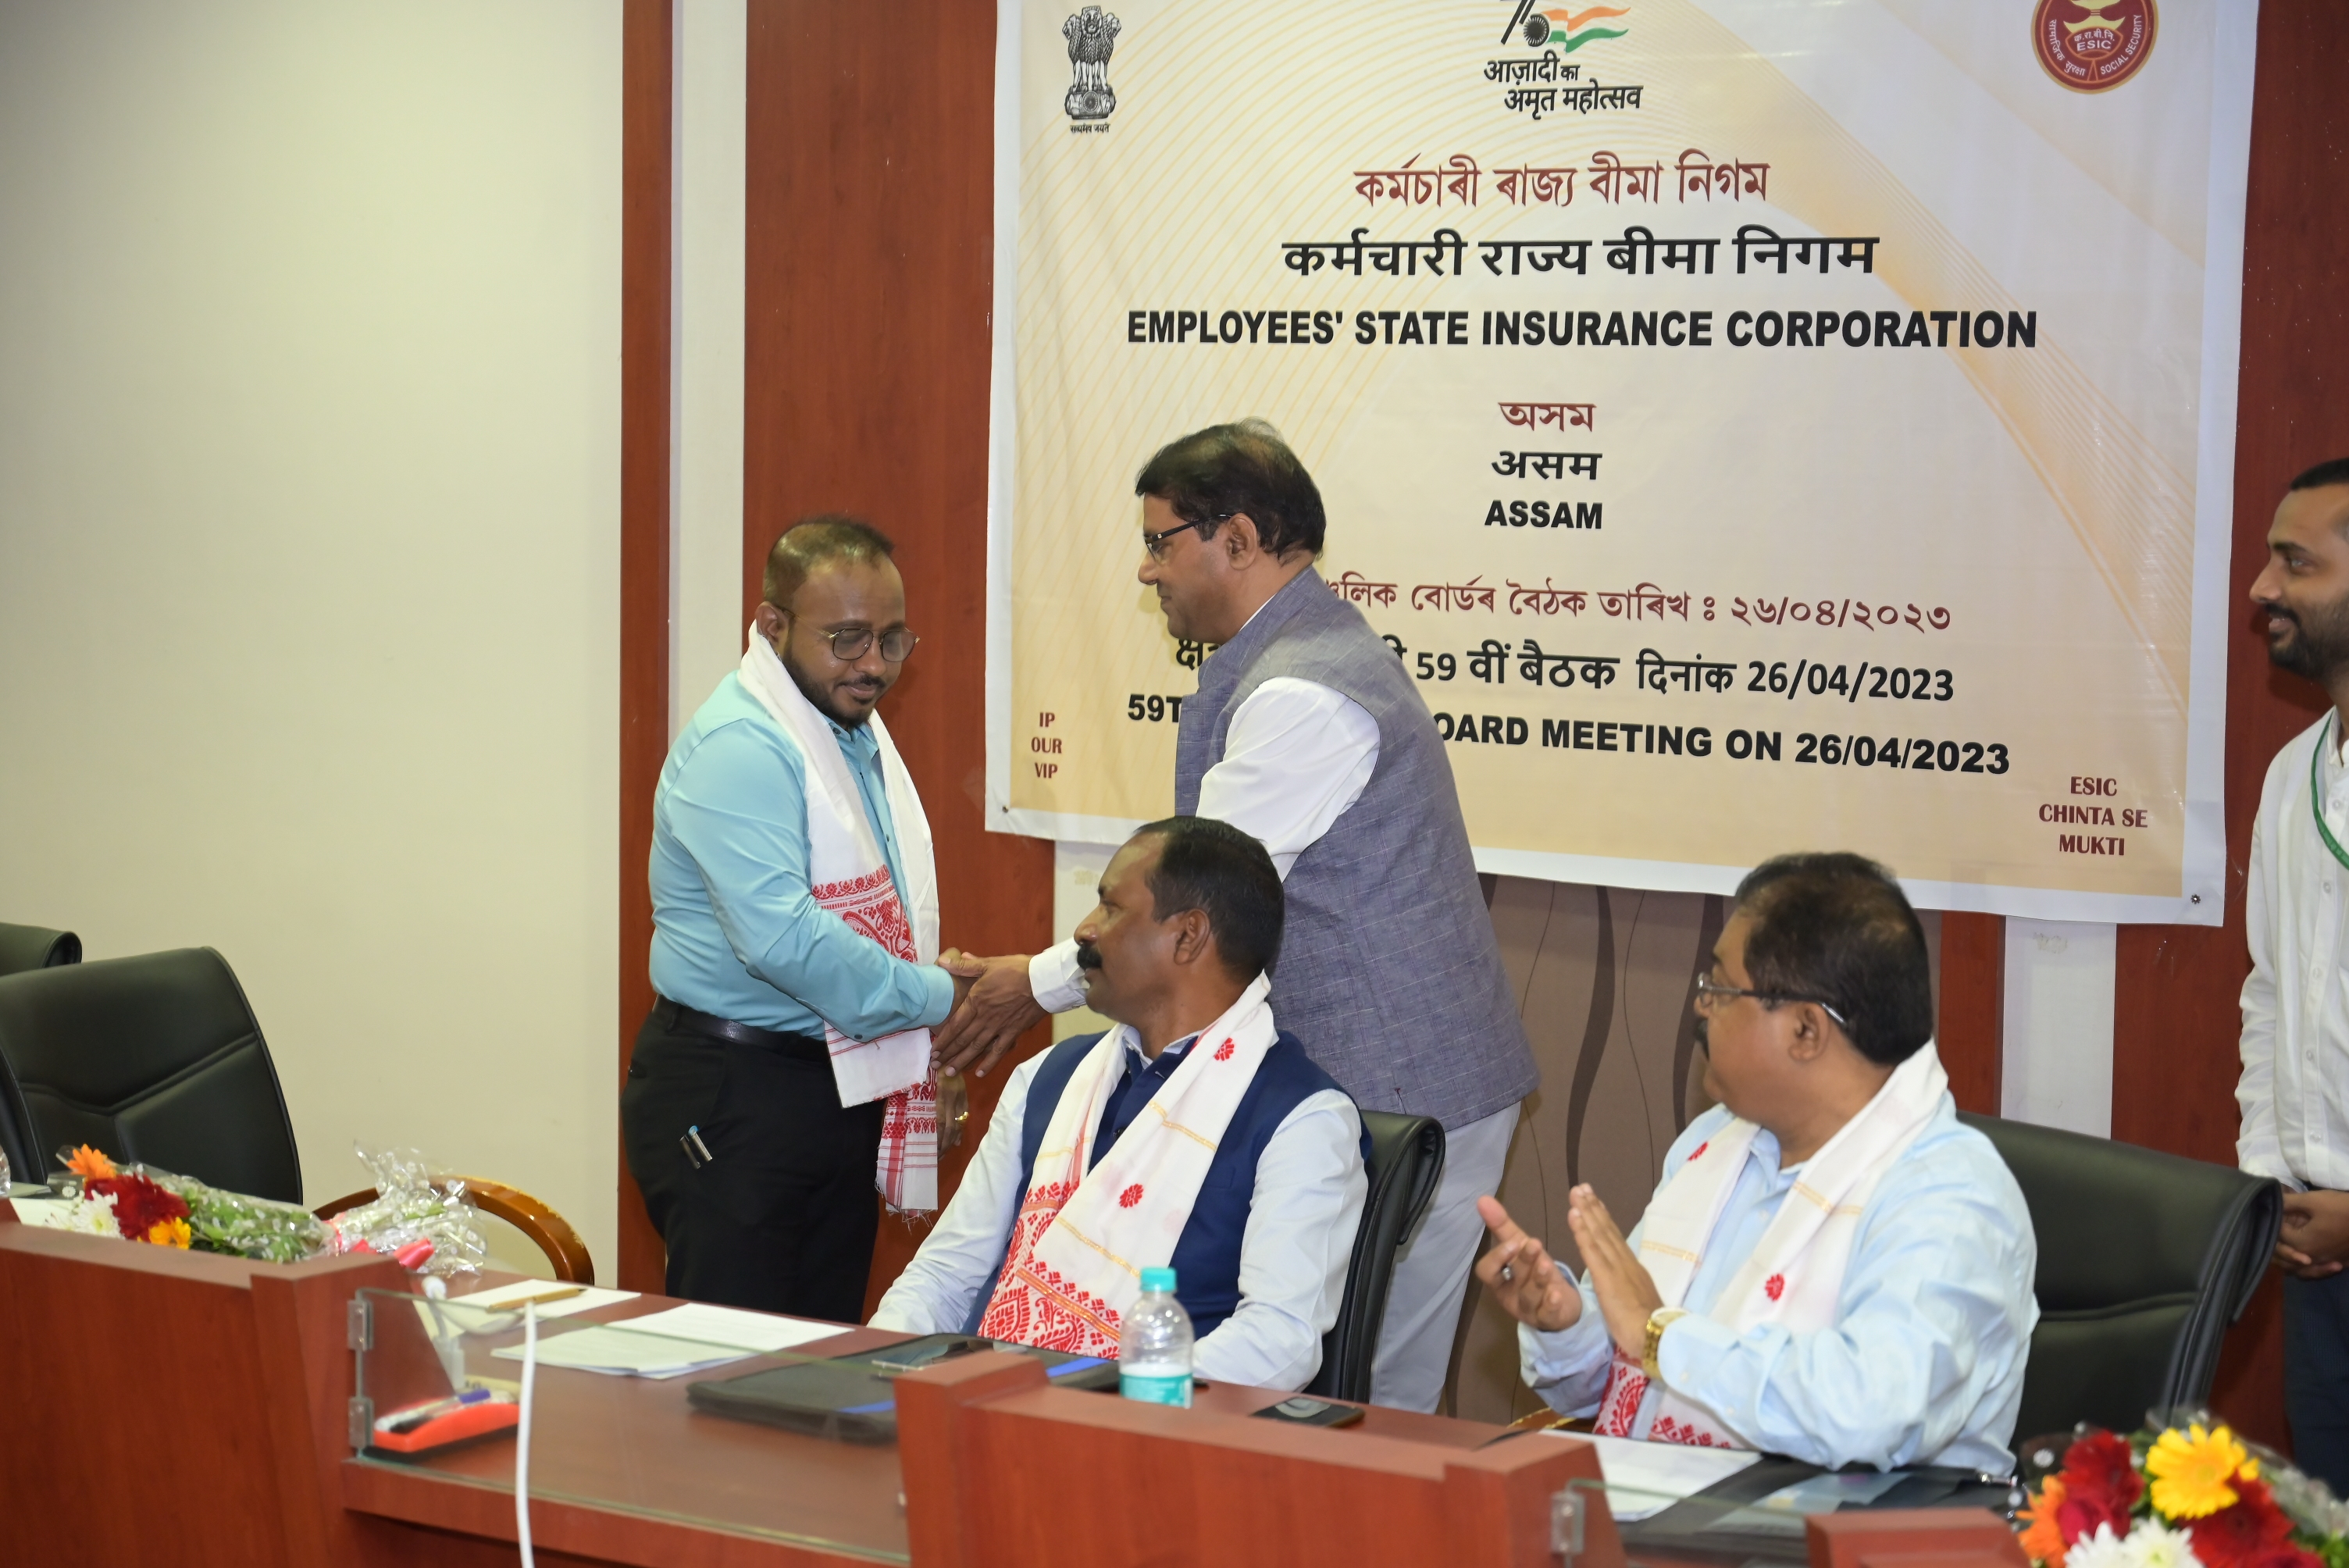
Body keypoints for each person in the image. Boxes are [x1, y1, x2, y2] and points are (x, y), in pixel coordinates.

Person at [932, 419, 1537, 1410]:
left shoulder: (1304, 693)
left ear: (1239, 539)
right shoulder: (1286, 655)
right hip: (1369, 1078)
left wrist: (1030, 984)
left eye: (1159, 542)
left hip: (1411, 1088)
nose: (1145, 570)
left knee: (1368, 1403)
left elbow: (1187, 903)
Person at [1476, 853, 2037, 1470]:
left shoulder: (1950, 1196)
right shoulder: (1716, 1143)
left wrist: (1662, 1335)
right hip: (1663, 1504)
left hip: (1841, 1523)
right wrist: (1567, 1325)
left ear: (1806, 1031)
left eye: (1720, 989)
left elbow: (1873, 1414)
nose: (1702, 1007)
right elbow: (1622, 1377)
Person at [872, 817, 1369, 1390]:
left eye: (1110, 907)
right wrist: (871, 1373)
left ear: (1188, 936)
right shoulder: (1048, 1077)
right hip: (986, 1405)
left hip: (1149, 1427)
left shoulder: (1303, 1120)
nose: (1085, 929)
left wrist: (1090, 1401)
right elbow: (944, 1276)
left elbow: (1278, 1343)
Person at [622, 516, 968, 1320]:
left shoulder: (846, 735)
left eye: (891, 639)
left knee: (821, 1359)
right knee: (734, 1364)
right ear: (772, 625)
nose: (873, 664)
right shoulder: (742, 745)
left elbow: (878, 916)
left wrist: (921, 1032)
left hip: (835, 1082)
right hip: (733, 1090)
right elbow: (785, 939)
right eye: (846, 639)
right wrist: (939, 999)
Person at [2241, 456, 2349, 1491]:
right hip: (2319, 1257)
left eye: (2294, 563)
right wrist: (2268, 1182)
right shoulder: (2293, 775)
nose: (2262, 587)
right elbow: (2269, 991)